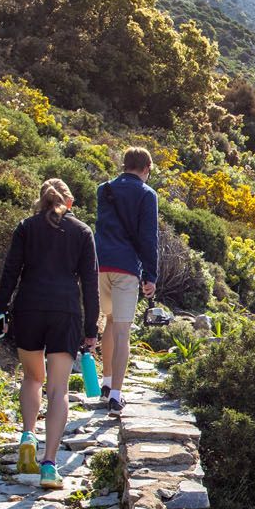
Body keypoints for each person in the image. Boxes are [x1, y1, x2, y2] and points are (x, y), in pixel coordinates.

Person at [0, 178, 100, 488]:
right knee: (58, 390)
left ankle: (28, 435)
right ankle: (50, 465)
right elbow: (90, 285)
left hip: (28, 308)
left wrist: (1, 310)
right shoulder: (82, 232)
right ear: (69, 203)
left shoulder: (26, 227)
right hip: (64, 311)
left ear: (41, 201)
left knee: (31, 378)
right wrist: (90, 328)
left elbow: (10, 271)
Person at [93, 147, 159, 412]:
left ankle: (106, 382)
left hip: (98, 264)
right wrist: (150, 275)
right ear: (145, 168)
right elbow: (148, 237)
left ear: (124, 165)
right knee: (122, 330)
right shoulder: (147, 194)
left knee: (107, 322)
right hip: (126, 267)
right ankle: (116, 395)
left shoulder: (104, 189)